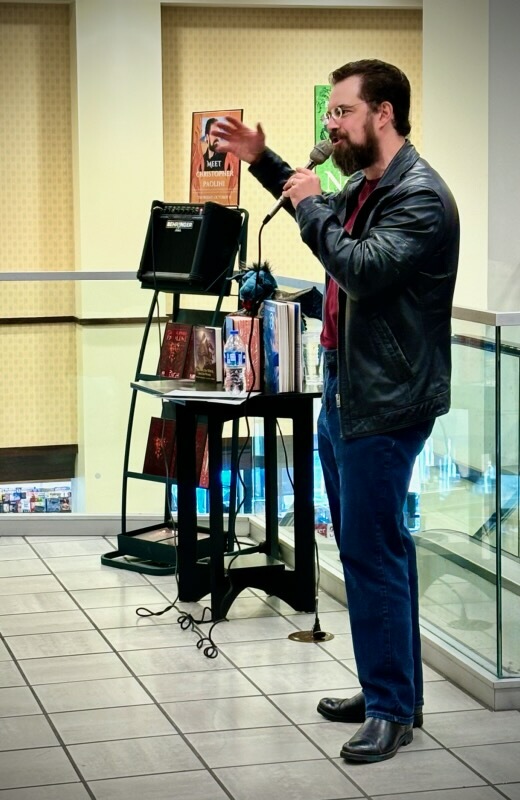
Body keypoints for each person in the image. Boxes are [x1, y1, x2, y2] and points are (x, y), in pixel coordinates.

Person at [213, 59, 459, 764]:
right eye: (330, 114)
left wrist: (313, 204)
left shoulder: (420, 196)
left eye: (342, 112)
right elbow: (321, 219)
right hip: (349, 389)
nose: (331, 123)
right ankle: (393, 689)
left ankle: (389, 708)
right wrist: (265, 163)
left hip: (387, 402)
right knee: (379, 548)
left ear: (384, 114)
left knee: (370, 551)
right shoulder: (364, 184)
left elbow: (363, 267)